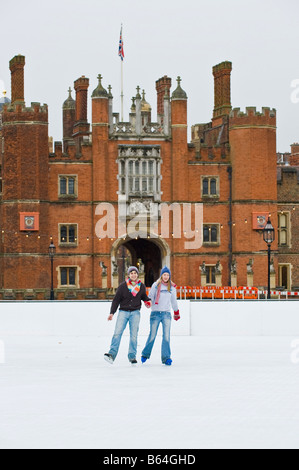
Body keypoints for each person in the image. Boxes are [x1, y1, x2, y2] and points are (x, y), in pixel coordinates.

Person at [104, 266, 151, 365]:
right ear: (129, 275)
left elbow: (144, 297)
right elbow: (116, 300)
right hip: (123, 312)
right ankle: (112, 354)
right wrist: (112, 312)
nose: (133, 275)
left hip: (135, 313)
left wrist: (147, 301)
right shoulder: (123, 286)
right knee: (117, 333)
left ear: (137, 275)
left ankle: (132, 356)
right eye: (131, 273)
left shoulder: (141, 286)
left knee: (134, 335)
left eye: (135, 273)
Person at [141, 266, 180, 366]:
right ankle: (145, 354)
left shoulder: (172, 287)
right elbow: (150, 297)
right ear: (161, 275)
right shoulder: (155, 285)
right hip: (155, 314)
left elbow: (173, 301)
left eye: (167, 275)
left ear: (169, 276)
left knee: (166, 336)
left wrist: (176, 311)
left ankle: (166, 357)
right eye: (164, 275)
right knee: (152, 335)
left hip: (166, 314)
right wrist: (148, 303)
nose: (166, 277)